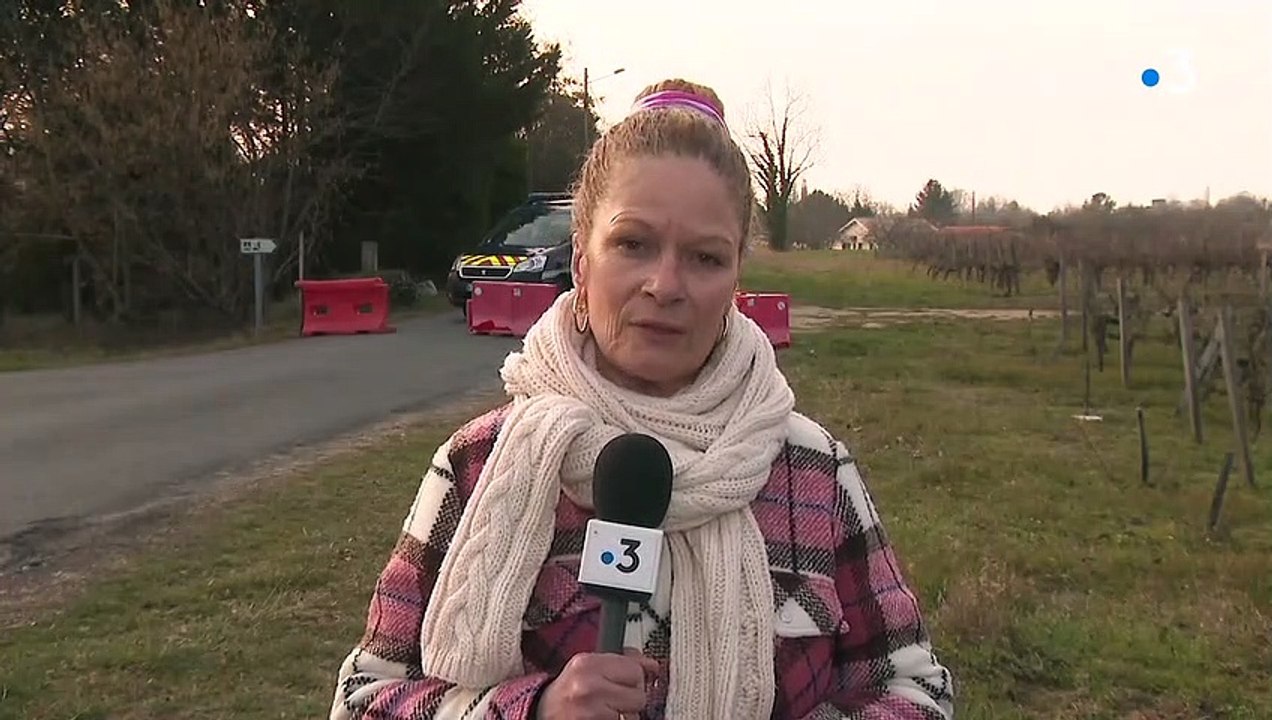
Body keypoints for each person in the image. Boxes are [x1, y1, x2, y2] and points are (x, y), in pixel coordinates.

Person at [328, 79, 954, 720]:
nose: (666, 284)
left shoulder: (812, 469)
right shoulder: (479, 464)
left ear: (737, 278)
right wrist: (531, 709)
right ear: (580, 262)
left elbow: (916, 692)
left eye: (705, 258)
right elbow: (364, 700)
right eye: (633, 245)